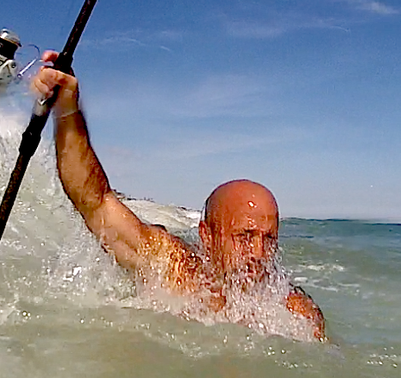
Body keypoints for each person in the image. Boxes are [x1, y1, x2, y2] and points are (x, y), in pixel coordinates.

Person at [31, 51, 325, 340]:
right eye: (244, 236)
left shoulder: (294, 313)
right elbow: (94, 201)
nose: (259, 254)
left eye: (268, 238)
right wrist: (68, 110)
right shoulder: (173, 269)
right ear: (206, 237)